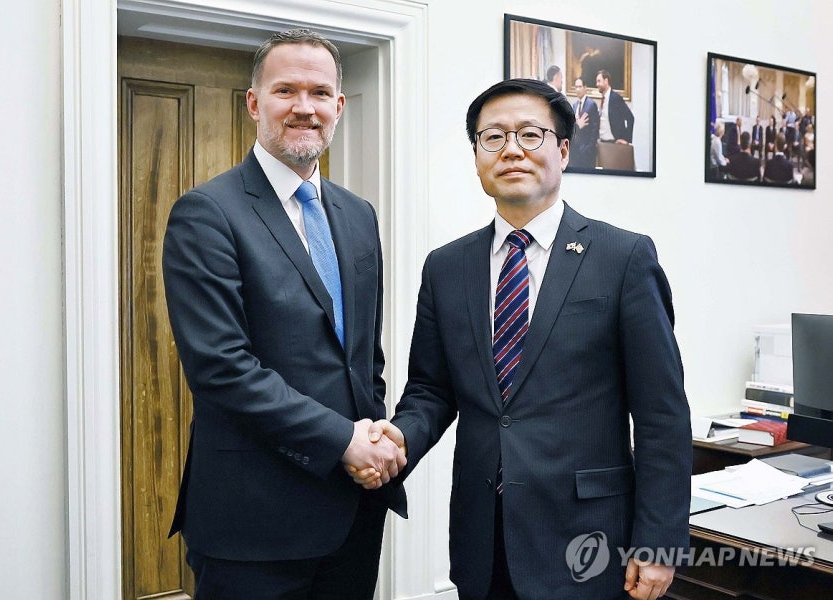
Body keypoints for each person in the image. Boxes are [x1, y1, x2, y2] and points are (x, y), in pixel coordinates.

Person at [352, 78, 692, 600]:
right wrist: (399, 440)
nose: (512, 149)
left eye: (530, 135)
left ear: (561, 149)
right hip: (482, 539)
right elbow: (430, 390)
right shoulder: (447, 267)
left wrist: (660, 544)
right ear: (477, 156)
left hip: (592, 541)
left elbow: (661, 414)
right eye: (493, 137)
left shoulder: (622, 258)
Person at [161, 28, 407, 599]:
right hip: (254, 522)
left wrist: (370, 447)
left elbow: (362, 356)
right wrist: (344, 440)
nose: (304, 107)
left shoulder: (358, 214)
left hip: (352, 509)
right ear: (253, 103)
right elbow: (222, 368)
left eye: (320, 93)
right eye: (285, 91)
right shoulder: (207, 214)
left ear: (339, 107)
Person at [568, 76, 600, 170]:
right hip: (576, 150)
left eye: (580, 86)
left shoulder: (591, 104)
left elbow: (595, 128)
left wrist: (590, 148)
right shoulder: (574, 105)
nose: (577, 89)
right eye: (576, 87)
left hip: (587, 150)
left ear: (585, 87)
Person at [595, 69, 634, 144]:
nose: (597, 84)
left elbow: (630, 118)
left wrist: (626, 139)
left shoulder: (615, 98)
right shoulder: (603, 99)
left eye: (599, 81)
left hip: (613, 143)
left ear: (606, 81)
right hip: (602, 143)